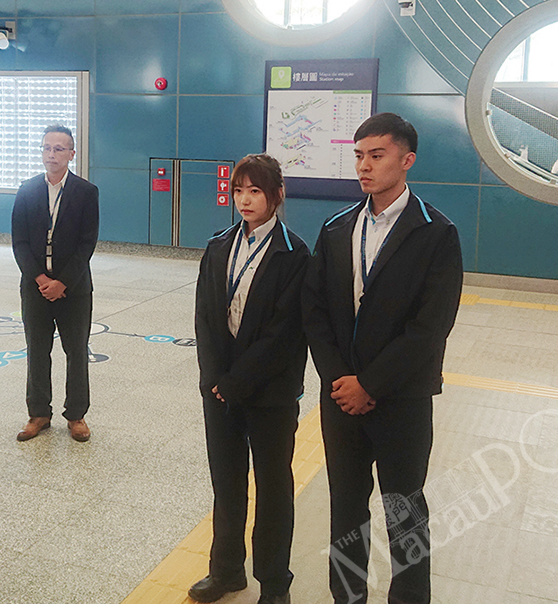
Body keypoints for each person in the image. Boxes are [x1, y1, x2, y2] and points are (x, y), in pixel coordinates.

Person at [302, 113, 463, 604]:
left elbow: (430, 327)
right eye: (358, 156)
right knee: (346, 510)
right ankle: (347, 596)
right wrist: (340, 379)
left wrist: (370, 384)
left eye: (377, 155)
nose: (364, 167)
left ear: (406, 160)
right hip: (341, 398)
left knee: (404, 511)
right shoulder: (337, 228)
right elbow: (315, 311)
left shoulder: (435, 233)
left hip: (402, 399)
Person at [191, 154, 309, 604]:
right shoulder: (218, 246)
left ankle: (275, 585)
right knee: (227, 484)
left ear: (277, 195)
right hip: (220, 392)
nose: (245, 200)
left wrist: (236, 381)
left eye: (255, 191)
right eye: (238, 190)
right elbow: (205, 318)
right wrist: (214, 378)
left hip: (270, 394)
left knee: (274, 489)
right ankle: (226, 572)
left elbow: (284, 333)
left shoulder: (295, 254)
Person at [12, 124, 99, 443]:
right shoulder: (27, 189)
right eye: (46, 148)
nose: (52, 154)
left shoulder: (86, 192)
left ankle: (76, 415)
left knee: (76, 351)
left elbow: (87, 243)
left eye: (59, 149)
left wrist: (62, 282)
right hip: (35, 288)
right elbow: (19, 241)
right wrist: (39, 279)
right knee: (37, 350)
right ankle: (38, 413)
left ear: (71, 154)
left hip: (73, 289)